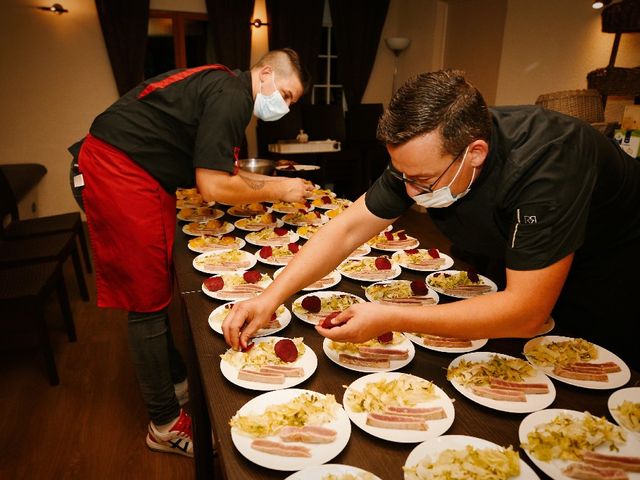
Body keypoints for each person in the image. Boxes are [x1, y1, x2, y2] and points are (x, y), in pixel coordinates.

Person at [222, 69, 640, 371]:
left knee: (588, 368)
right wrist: (268, 298)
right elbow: (348, 228)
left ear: (474, 152)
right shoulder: (425, 157)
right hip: (517, 254)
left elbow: (527, 309)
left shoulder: (550, 163)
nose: (409, 191)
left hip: (611, 267)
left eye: (421, 180)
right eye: (402, 176)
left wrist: (391, 315)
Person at [70, 48, 313, 457]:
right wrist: (282, 189)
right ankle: (164, 423)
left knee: (157, 286)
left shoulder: (226, 85)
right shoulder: (234, 94)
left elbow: (227, 173)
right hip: (119, 169)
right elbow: (214, 185)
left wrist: (273, 184)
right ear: (266, 73)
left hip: (131, 168)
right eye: (286, 96)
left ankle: (177, 379)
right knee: (146, 300)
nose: (284, 108)